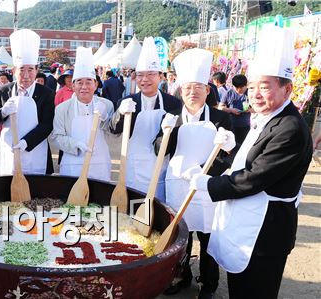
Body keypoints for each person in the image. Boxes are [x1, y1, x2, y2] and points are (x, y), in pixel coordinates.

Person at [193, 26, 313, 299]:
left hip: (266, 233)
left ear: (288, 89)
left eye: (265, 86)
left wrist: (209, 184)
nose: (256, 94)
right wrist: (229, 153)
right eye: (253, 87)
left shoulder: (290, 128)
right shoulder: (265, 118)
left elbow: (253, 177)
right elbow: (247, 162)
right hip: (248, 224)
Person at [159, 48, 235, 299]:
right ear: (181, 91)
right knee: (181, 234)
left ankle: (208, 283)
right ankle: (181, 276)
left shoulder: (221, 117)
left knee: (208, 236)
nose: (193, 92)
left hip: (207, 185)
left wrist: (206, 172)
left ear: (207, 90)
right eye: (188, 88)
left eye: (198, 87)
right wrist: (165, 133)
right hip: (177, 183)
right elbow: (159, 150)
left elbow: (227, 156)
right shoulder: (173, 117)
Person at [109, 37, 181, 201]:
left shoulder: (173, 103)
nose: (144, 79)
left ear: (160, 76)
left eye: (150, 74)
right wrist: (120, 113)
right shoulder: (128, 101)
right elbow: (114, 129)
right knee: (132, 209)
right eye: (140, 75)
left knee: (156, 211)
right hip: (132, 169)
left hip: (160, 169)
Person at [0, 29, 55, 176]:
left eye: (30, 70)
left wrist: (26, 142)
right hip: (9, 150)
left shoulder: (46, 93)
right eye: (21, 70)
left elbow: (47, 124)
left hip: (36, 148)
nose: (26, 75)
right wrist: (3, 111)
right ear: (13, 70)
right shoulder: (3, 91)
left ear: (37, 70)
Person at [52, 47, 113, 181]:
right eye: (79, 82)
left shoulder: (107, 105)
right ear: (73, 86)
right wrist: (75, 144)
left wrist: (106, 117)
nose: (84, 87)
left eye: (88, 82)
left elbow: (113, 134)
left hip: (100, 165)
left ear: (96, 84)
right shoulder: (63, 109)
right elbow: (56, 137)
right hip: (72, 164)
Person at [219, 74, 251, 145]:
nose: (239, 90)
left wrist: (249, 110)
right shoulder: (228, 93)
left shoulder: (250, 93)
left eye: (241, 88)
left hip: (245, 126)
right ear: (232, 85)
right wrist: (231, 110)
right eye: (236, 88)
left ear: (246, 85)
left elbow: (258, 109)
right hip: (231, 126)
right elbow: (220, 107)